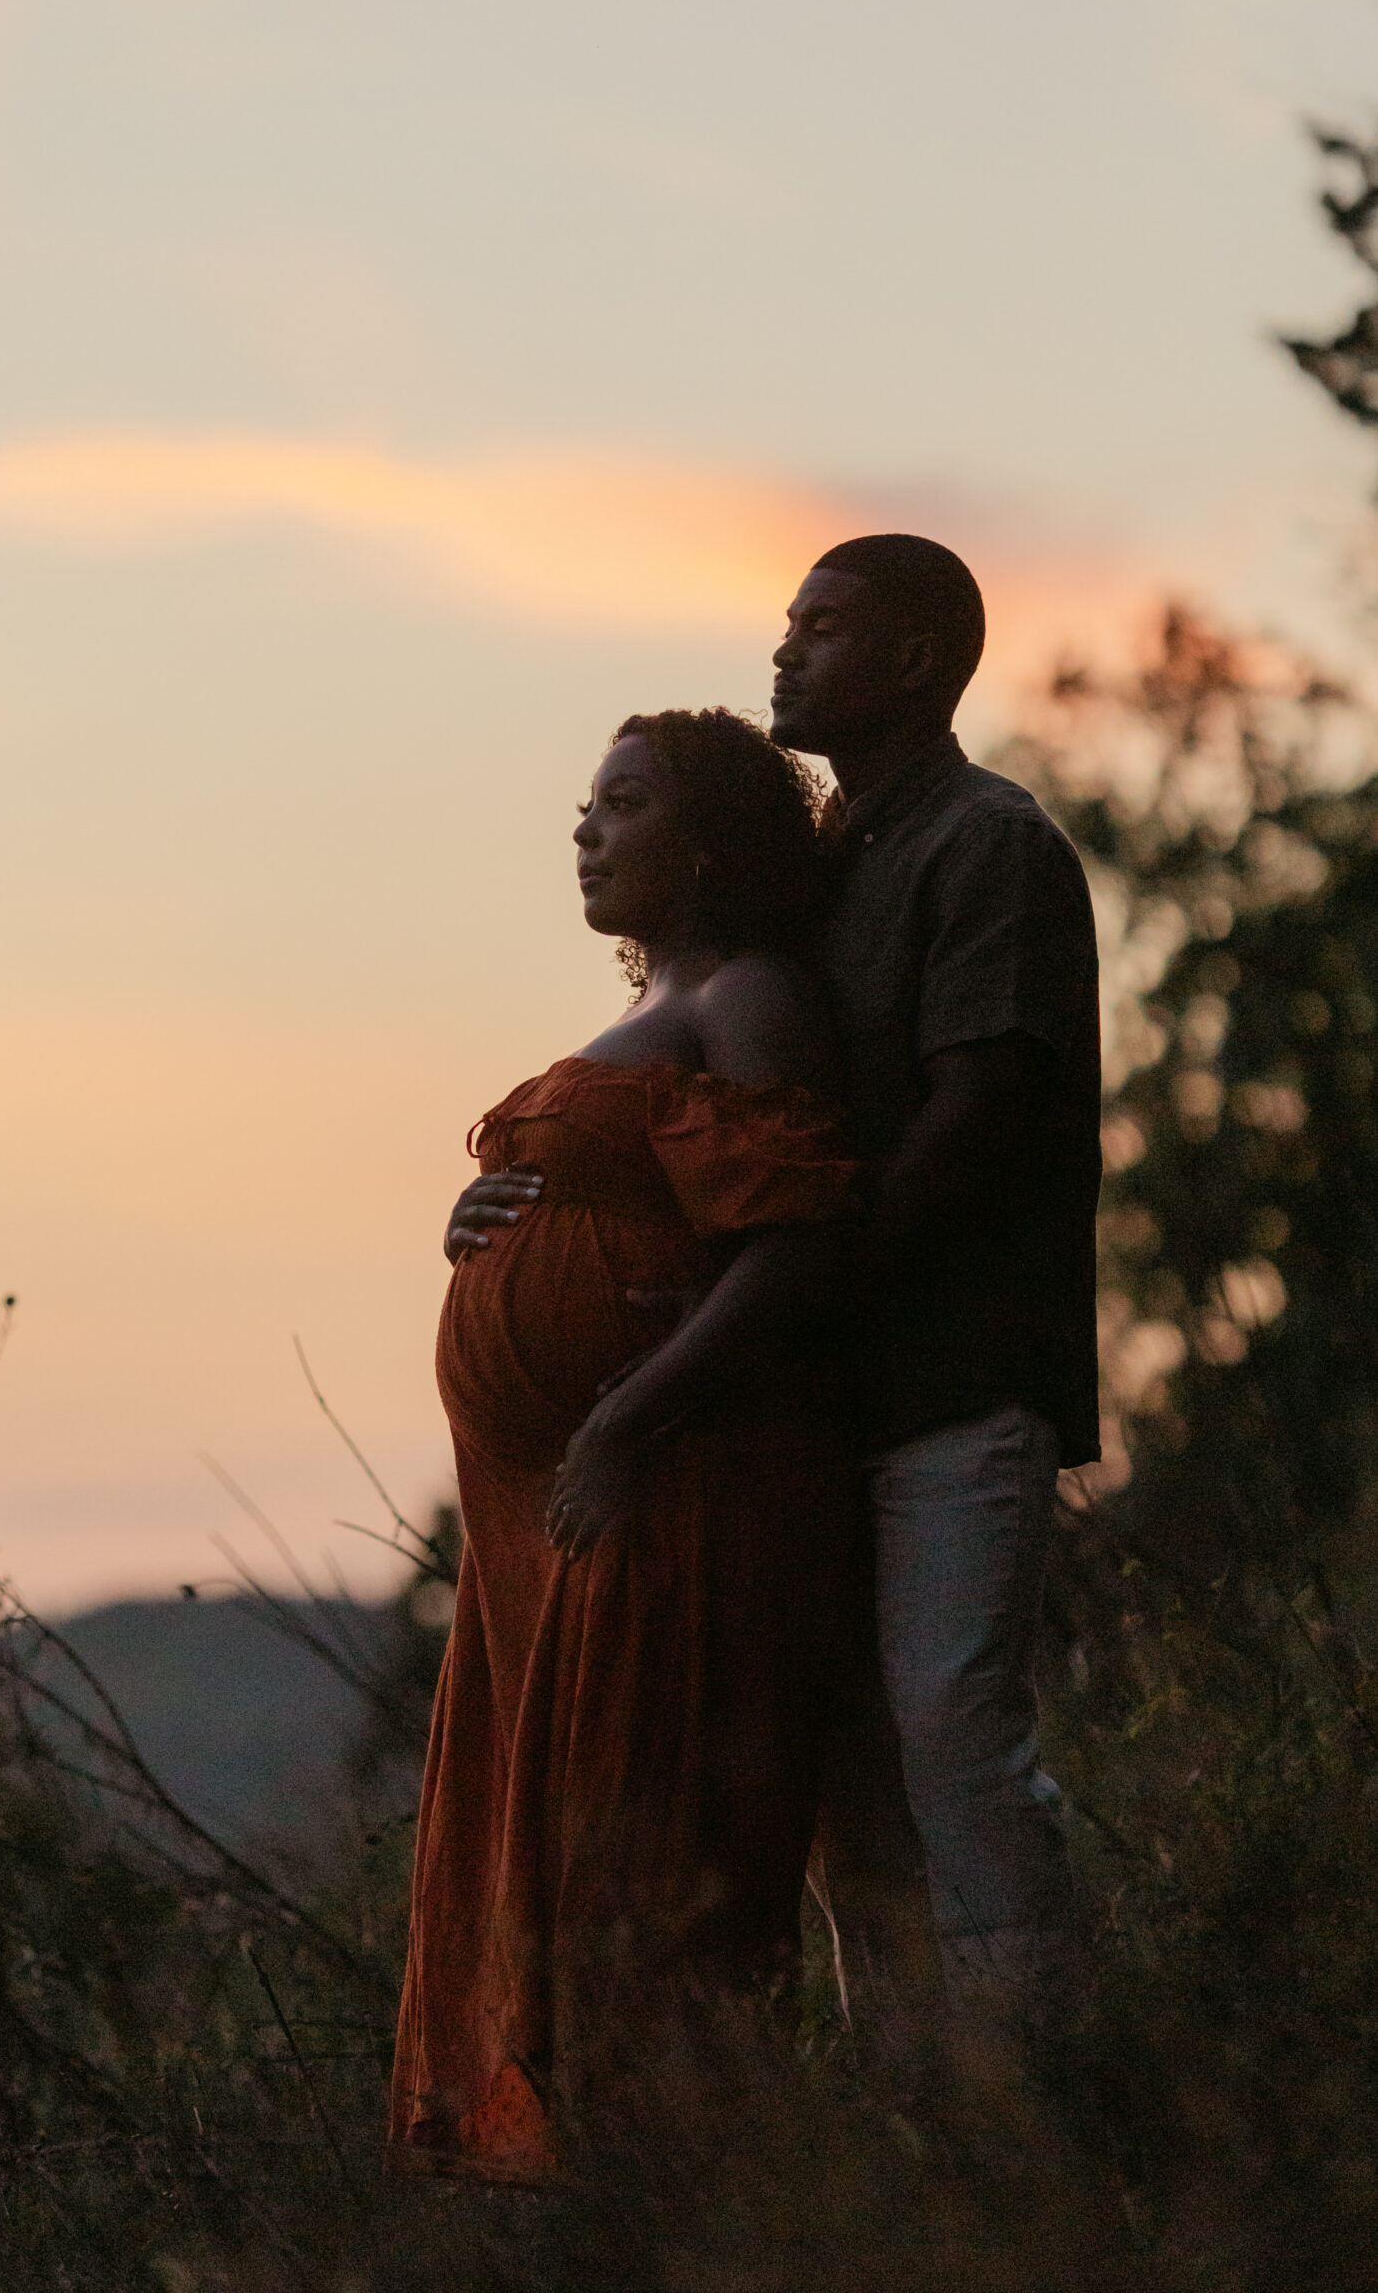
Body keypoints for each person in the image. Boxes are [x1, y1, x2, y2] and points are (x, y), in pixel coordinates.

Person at [390, 708, 861, 2181]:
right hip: (552, 1516)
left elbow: (795, 1244)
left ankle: (693, 2201)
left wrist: (630, 1418)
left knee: (641, 1867)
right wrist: (477, 1227)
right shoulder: (657, 1008)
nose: (587, 828)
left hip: (669, 1491)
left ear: (711, 836)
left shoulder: (754, 995)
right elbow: (620, 1200)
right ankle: (597, 2204)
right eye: (589, 804)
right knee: (559, 1866)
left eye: (626, 802)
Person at [767, 533, 1102, 2096]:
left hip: (960, 1379)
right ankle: (915, 2127)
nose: (785, 652)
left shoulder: (988, 844)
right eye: (789, 624)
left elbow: (982, 1103)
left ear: (914, 660)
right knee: (847, 1777)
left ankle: (1048, 2090)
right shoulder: (829, 861)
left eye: (821, 630)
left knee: (955, 1735)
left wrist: (821, 1280)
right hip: (829, 1394)